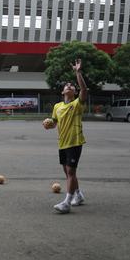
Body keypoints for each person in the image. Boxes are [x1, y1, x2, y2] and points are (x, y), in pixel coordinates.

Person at [44, 58, 87, 214]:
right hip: (62, 142)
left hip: (75, 141)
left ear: (74, 92)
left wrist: (78, 72)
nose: (70, 86)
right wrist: (49, 124)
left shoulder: (77, 104)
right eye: (67, 85)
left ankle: (67, 203)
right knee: (67, 171)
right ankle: (78, 194)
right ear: (63, 91)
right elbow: (55, 122)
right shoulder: (57, 106)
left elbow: (84, 90)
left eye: (72, 86)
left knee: (70, 172)